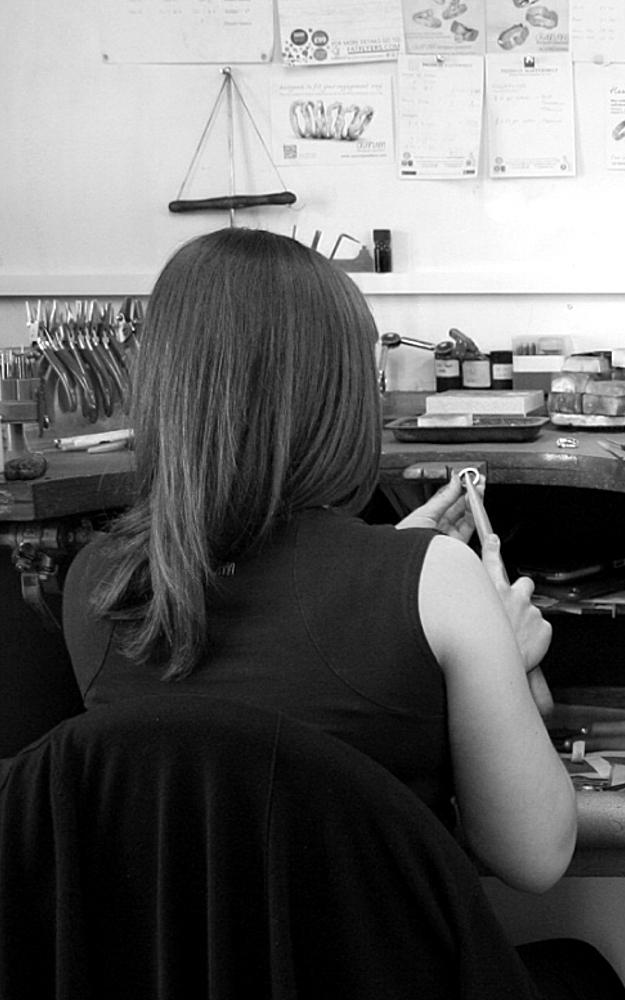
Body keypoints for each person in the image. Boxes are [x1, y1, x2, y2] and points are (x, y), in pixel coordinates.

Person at [62, 227, 575, 894]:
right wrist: (485, 639)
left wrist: (397, 563)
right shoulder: (438, 579)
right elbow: (536, 857)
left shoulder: (95, 584)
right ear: (339, 397)